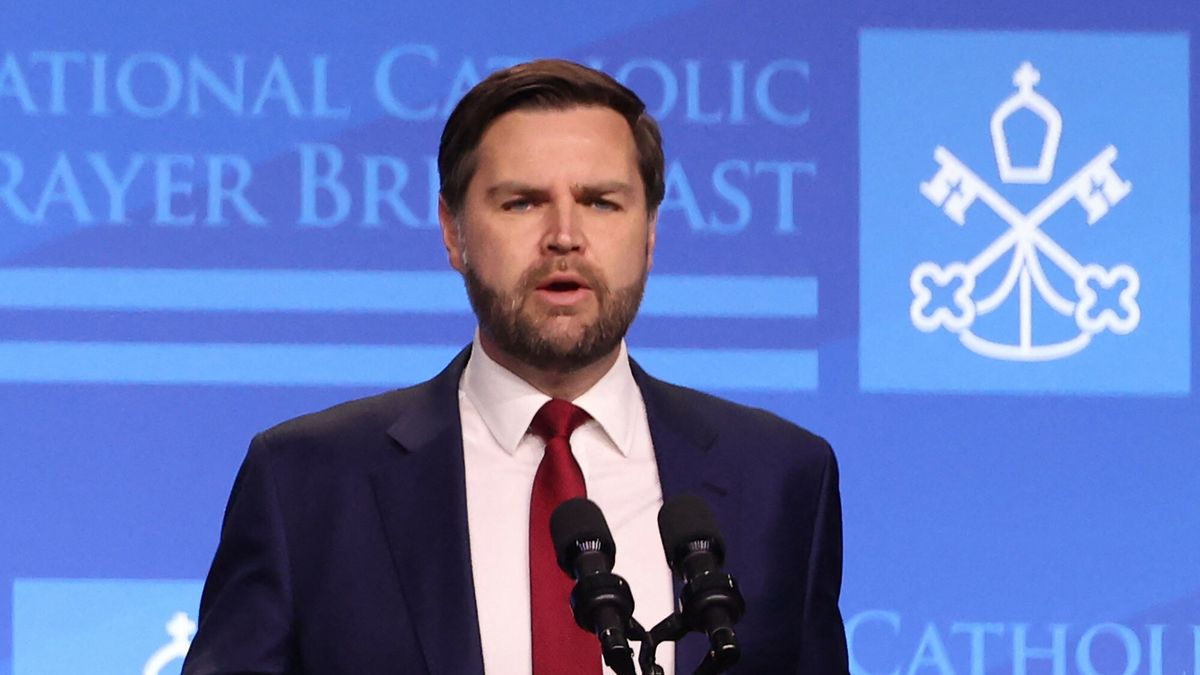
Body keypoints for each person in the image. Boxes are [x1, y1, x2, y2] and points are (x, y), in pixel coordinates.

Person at [183, 59, 848, 675]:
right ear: (453, 231)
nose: (564, 234)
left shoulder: (782, 477)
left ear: (649, 234)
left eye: (601, 201)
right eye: (522, 202)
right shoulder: (306, 481)